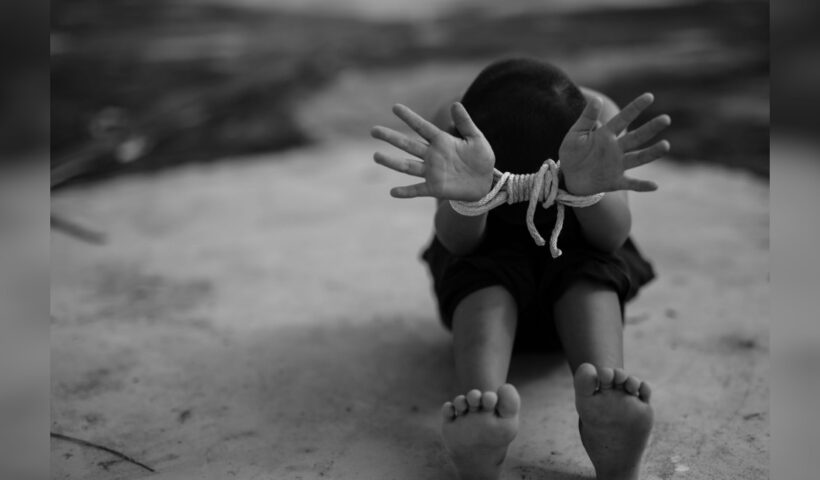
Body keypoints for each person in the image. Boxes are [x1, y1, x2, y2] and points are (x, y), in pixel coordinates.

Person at [370, 57, 671, 480]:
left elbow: (611, 239)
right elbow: (458, 243)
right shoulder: (452, 129)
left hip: (576, 270)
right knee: (478, 272)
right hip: (486, 278)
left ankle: (605, 395)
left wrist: (588, 192)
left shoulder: (599, 119)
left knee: (591, 267)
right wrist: (471, 199)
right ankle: (485, 412)